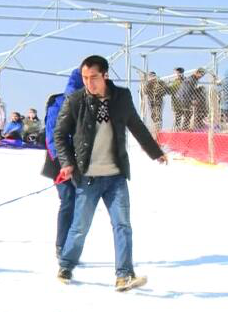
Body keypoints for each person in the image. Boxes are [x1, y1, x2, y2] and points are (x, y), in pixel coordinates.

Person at [53, 55, 167, 290]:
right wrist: (67, 162)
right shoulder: (75, 100)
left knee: (122, 225)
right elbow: (60, 134)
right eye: (85, 78)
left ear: (105, 75)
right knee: (80, 227)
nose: (89, 83)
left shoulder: (121, 97)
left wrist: (155, 152)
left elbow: (136, 125)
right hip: (88, 177)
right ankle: (66, 264)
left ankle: (124, 274)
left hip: (116, 176)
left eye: (93, 77)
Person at [40, 68, 84, 260]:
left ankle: (71, 246)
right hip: (58, 160)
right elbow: (52, 136)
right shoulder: (58, 103)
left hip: (80, 161)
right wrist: (63, 162)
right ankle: (62, 246)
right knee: (68, 198)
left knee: (80, 204)